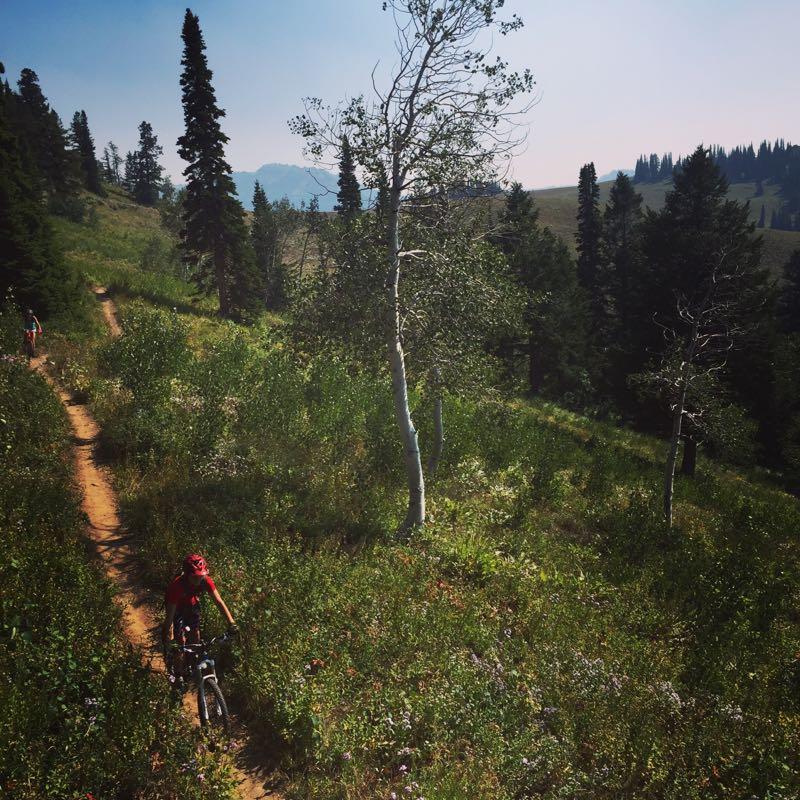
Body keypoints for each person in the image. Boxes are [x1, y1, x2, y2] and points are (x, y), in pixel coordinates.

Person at [161, 553, 238, 684]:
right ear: (186, 574)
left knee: (196, 636)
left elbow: (219, 602)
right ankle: (178, 675)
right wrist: (170, 639)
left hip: (192, 604)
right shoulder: (176, 587)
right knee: (180, 642)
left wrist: (232, 623)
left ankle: (193, 664)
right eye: (195, 577)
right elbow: (169, 619)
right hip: (177, 608)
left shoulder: (205, 580)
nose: (199, 579)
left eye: (201, 576)